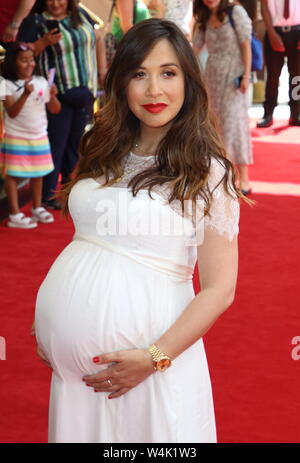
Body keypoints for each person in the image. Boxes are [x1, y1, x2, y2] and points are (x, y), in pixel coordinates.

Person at [33, 18, 241, 443]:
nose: (153, 91)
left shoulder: (207, 171)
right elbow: (87, 241)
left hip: (152, 370)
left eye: (168, 73)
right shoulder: (101, 145)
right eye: (139, 74)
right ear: (121, 82)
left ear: (189, 81)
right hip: (77, 383)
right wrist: (51, 323)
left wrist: (154, 357)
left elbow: (220, 289)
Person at [18, 0, 106, 210]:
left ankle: (68, 189)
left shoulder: (81, 15)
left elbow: (99, 35)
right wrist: (43, 43)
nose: (56, 3)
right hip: (57, 94)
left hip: (86, 90)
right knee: (55, 146)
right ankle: (48, 195)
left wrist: (103, 71)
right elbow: (20, 56)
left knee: (75, 145)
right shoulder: (36, 22)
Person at [193, 0, 253, 195]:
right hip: (212, 77)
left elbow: (246, 45)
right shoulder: (203, 18)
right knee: (215, 126)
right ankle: (221, 176)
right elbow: (195, 48)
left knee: (234, 125)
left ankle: (243, 178)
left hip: (234, 76)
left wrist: (246, 75)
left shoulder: (236, 12)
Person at [0, 42, 61, 228]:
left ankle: (36, 207)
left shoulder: (41, 81)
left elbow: (55, 110)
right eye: (23, 60)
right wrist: (25, 94)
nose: (29, 64)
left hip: (39, 135)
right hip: (15, 136)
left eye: (31, 60)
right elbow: (11, 112)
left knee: (38, 173)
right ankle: (15, 214)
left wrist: (54, 95)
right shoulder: (5, 84)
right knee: (13, 175)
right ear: (13, 62)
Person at [257, 0, 300, 128]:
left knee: (297, 77)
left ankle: (295, 113)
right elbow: (264, 7)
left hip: (297, 32)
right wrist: (271, 33)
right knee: (272, 76)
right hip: (274, 31)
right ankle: (268, 114)